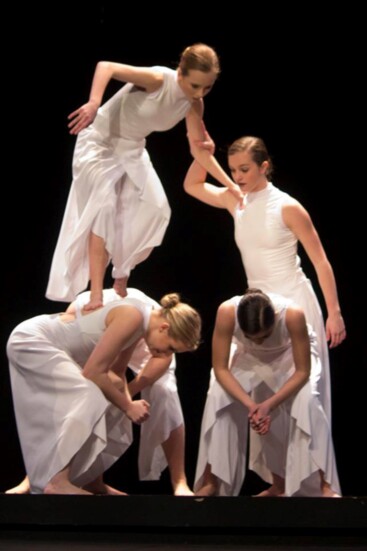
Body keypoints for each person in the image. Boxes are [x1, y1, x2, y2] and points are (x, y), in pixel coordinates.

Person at [46, 43, 242, 310]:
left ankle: (121, 273)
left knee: (158, 209)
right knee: (103, 208)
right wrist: (94, 103)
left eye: (207, 87)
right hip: (100, 142)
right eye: (195, 85)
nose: (199, 92)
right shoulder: (158, 79)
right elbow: (107, 66)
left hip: (132, 149)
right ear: (181, 73)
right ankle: (95, 295)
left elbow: (199, 149)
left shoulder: (194, 104)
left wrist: (231, 185)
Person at [183, 134, 346, 422]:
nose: (237, 176)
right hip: (257, 310)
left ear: (264, 166)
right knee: (258, 402)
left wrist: (334, 313)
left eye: (244, 169)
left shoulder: (287, 207)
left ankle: (309, 466)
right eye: (232, 170)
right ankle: (273, 469)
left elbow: (320, 262)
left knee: (304, 401)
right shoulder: (236, 201)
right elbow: (191, 185)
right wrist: (203, 154)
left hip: (296, 305)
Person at [6, 288, 201, 494]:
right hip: (33, 340)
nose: (166, 354)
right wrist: (128, 406)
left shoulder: (140, 323)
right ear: (163, 327)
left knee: (106, 404)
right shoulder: (132, 316)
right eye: (170, 347)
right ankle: (56, 481)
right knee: (87, 395)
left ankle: (88, 479)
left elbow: (115, 375)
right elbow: (93, 373)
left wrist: (126, 405)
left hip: (51, 346)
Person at [194, 288, 341, 497]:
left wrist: (268, 404)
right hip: (249, 358)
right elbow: (220, 369)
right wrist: (251, 405)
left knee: (306, 400)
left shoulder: (292, 314)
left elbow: (302, 372)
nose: (259, 341)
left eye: (264, 336)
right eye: (251, 337)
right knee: (217, 395)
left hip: (289, 356)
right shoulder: (227, 311)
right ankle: (212, 481)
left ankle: (325, 484)